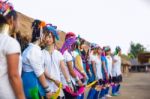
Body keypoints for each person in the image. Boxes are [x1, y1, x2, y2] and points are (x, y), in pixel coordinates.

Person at [0, 1, 25, 99]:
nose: (18, 24)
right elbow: (14, 76)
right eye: (17, 20)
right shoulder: (10, 43)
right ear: (11, 19)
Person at [22, 20, 52, 99]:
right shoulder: (34, 51)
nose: (47, 39)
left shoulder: (30, 49)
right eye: (47, 36)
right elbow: (39, 73)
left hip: (28, 84)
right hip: (32, 86)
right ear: (42, 35)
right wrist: (47, 90)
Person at [42, 24, 71, 99]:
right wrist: (54, 80)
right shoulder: (41, 53)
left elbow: (63, 69)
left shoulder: (58, 54)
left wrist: (69, 82)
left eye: (50, 37)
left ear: (54, 38)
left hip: (58, 88)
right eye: (46, 37)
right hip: (46, 89)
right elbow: (42, 70)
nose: (48, 39)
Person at [60, 32, 83, 99]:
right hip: (67, 82)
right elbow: (71, 70)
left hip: (63, 81)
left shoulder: (62, 52)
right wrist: (78, 80)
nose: (75, 47)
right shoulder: (67, 54)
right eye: (75, 45)